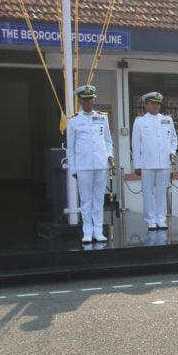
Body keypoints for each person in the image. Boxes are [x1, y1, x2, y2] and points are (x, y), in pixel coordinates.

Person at [66, 84, 114, 243]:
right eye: (84, 100)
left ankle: (98, 231)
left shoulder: (103, 117)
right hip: (83, 165)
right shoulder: (73, 121)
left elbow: (108, 141)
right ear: (80, 100)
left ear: (94, 100)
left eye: (90, 99)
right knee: (86, 200)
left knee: (99, 200)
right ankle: (87, 231)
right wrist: (73, 168)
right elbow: (71, 147)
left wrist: (110, 156)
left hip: (100, 164)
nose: (88, 103)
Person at [132, 91, 178, 231]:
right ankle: (150, 219)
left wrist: (172, 153)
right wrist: (137, 165)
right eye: (153, 103)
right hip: (147, 163)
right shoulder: (140, 121)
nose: (156, 106)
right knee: (147, 192)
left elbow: (173, 140)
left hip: (164, 163)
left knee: (161, 192)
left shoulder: (167, 120)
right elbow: (135, 144)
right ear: (146, 105)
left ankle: (160, 218)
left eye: (158, 104)